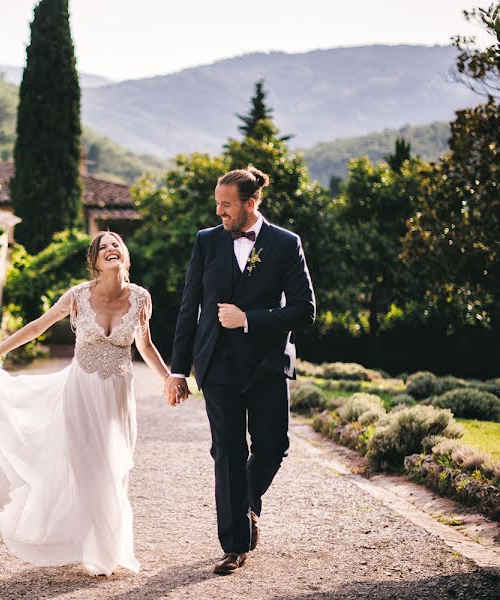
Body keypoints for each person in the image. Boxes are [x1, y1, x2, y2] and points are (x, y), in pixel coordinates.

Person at [0, 231, 172, 577]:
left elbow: (145, 345)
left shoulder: (141, 298)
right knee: (90, 469)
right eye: (103, 247)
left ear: (125, 254)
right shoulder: (78, 296)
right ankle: (102, 552)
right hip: (81, 393)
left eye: (116, 244)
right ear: (95, 262)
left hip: (117, 396)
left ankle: (112, 545)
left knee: (115, 468)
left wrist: (168, 378)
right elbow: (39, 326)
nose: (111, 249)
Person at [165, 166, 316, 575]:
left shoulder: (286, 243)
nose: (219, 211)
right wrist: (178, 370)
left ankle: (246, 505)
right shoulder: (206, 242)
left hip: (267, 364)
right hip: (217, 366)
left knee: (273, 446)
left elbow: (305, 310)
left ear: (251, 204)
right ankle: (234, 545)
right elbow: (189, 305)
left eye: (227, 204)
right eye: (217, 202)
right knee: (228, 452)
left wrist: (249, 318)